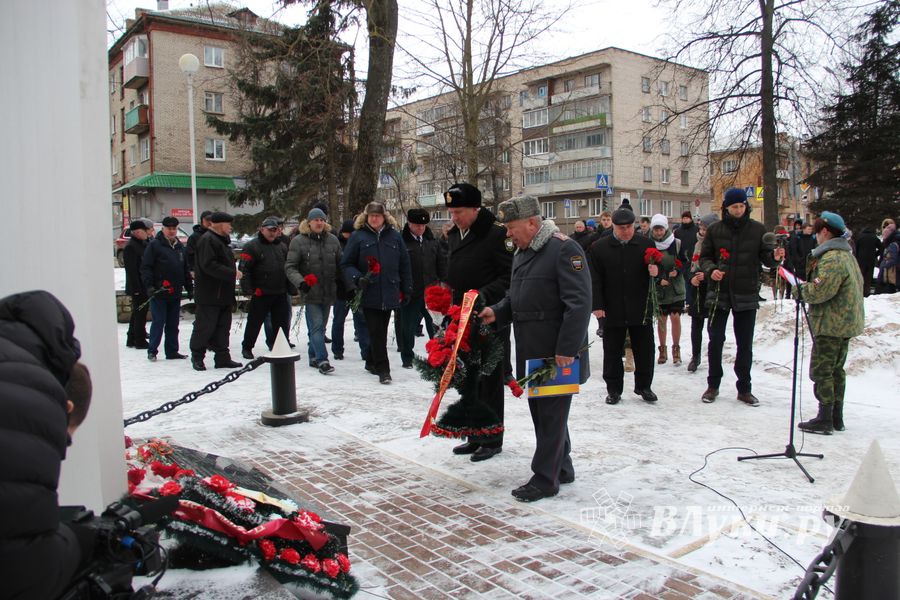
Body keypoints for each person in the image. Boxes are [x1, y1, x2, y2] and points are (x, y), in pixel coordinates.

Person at [479, 196, 591, 502]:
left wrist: (567, 348)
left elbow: (579, 304)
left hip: (557, 351)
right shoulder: (523, 252)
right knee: (544, 413)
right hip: (532, 349)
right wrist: (498, 312)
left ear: (532, 222)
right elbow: (518, 297)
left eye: (512, 227)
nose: (508, 234)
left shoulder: (564, 249)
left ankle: (545, 479)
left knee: (551, 414)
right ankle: (562, 467)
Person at [0, 291, 93, 599]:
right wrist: (82, 541)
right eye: (66, 436)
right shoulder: (28, 405)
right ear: (63, 409)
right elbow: (25, 570)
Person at [442, 182, 513, 461]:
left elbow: (508, 278)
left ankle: (492, 438)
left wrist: (482, 296)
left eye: (459, 211)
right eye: (451, 211)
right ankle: (474, 435)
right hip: (461, 318)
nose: (454, 217)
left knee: (490, 381)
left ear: (475, 208)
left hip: (488, 318)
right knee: (470, 380)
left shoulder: (496, 234)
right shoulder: (456, 233)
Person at [698, 188, 784, 405]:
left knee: (744, 343)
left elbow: (766, 260)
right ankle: (713, 385)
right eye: (734, 206)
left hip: (746, 293)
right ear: (726, 207)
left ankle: (744, 388)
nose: (738, 210)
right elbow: (705, 257)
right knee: (716, 340)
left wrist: (774, 258)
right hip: (719, 293)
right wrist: (711, 270)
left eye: (741, 206)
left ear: (746, 206)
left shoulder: (757, 230)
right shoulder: (715, 230)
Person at [793, 212, 865, 434]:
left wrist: (800, 289)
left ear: (825, 232)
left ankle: (825, 418)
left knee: (823, 370)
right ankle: (836, 416)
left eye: (817, 233)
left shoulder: (833, 257)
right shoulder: (847, 255)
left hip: (832, 323)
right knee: (836, 370)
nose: (816, 237)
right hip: (843, 322)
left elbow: (821, 290)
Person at [589, 206, 659, 404]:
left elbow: (659, 272)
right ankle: (613, 389)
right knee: (612, 350)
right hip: (613, 306)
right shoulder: (599, 247)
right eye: (621, 228)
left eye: (629, 227)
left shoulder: (646, 244)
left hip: (640, 305)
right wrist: (597, 304)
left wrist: (656, 271)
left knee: (645, 349)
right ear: (613, 227)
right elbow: (595, 279)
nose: (626, 231)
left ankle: (644, 386)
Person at [340, 202, 412, 384]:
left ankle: (371, 361)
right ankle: (383, 370)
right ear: (366, 217)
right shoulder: (357, 237)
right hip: (369, 291)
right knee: (377, 331)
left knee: (380, 330)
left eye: (377, 216)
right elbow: (346, 264)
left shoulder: (395, 237)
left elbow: (404, 264)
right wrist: (358, 278)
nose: (374, 218)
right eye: (371, 215)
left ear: (384, 217)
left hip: (390, 290)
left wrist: (407, 288)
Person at [286, 207, 342, 373]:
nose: (319, 222)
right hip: (310, 291)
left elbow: (340, 264)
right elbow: (290, 266)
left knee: (320, 327)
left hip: (328, 291)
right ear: (309, 222)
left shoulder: (333, 240)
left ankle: (313, 356)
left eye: (322, 220)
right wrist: (301, 282)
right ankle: (322, 359)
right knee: (317, 326)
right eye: (316, 220)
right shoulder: (298, 241)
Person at [190, 211, 243, 371]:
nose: (231, 227)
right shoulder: (207, 240)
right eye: (228, 224)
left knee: (222, 328)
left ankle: (222, 358)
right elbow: (208, 265)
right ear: (219, 224)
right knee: (205, 327)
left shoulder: (221, 241)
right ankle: (197, 357)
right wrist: (232, 273)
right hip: (209, 294)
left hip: (223, 294)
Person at [239, 217, 296, 359]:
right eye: (269, 230)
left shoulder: (282, 246)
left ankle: (279, 345)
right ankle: (247, 347)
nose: (272, 233)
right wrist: (249, 290)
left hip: (280, 292)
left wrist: (291, 288)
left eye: (275, 230)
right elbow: (244, 270)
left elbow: (288, 269)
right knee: (254, 322)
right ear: (262, 229)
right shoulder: (252, 246)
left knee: (282, 323)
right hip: (261, 292)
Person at [399, 208, 447, 369]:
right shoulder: (402, 242)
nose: (420, 228)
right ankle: (407, 357)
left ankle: (437, 356)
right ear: (410, 224)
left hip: (431, 292)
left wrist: (442, 284)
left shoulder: (431, 241)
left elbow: (441, 264)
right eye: (417, 225)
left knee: (435, 325)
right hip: (410, 292)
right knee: (407, 326)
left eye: (423, 225)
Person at [141, 216, 192, 361]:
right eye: (169, 229)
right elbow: (146, 267)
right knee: (158, 322)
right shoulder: (154, 246)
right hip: (159, 291)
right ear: (163, 229)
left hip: (175, 291)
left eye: (174, 229)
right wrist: (150, 286)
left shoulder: (180, 247)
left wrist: (189, 287)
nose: (172, 231)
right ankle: (152, 350)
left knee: (173, 324)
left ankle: (172, 351)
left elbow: (184, 268)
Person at [649, 214, 687, 365]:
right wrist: (658, 279)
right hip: (660, 288)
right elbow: (647, 265)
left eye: (661, 229)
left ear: (666, 229)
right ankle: (662, 350)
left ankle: (676, 349)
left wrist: (677, 270)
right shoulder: (649, 244)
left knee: (675, 317)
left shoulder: (676, 243)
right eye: (656, 229)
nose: (659, 232)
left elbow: (684, 261)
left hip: (676, 286)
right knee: (661, 319)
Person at [331, 218, 369, 361]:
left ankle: (365, 350)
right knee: (339, 320)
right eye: (348, 233)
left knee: (361, 321)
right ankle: (337, 349)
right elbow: (340, 268)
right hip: (342, 289)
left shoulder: (358, 243)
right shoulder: (337, 244)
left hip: (356, 288)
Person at [686, 213, 719, 372]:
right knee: (696, 325)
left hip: (712, 288)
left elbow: (720, 266)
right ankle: (695, 356)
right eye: (701, 228)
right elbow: (692, 265)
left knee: (713, 328)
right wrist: (692, 277)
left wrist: (706, 275)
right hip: (697, 289)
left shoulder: (718, 244)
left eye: (705, 228)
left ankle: (714, 357)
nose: (701, 231)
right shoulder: (697, 243)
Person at [123, 219, 151, 349]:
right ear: (138, 232)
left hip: (142, 284)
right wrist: (136, 288)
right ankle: (139, 340)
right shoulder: (131, 247)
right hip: (137, 286)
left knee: (137, 312)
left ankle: (132, 337)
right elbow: (131, 270)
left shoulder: (142, 244)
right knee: (140, 313)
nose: (147, 233)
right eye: (145, 231)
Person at [674, 211, 698, 309]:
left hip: (693, 258)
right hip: (682, 257)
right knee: (683, 279)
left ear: (691, 219)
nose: (685, 220)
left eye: (687, 218)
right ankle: (685, 301)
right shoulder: (678, 231)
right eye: (683, 218)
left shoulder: (696, 229)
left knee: (691, 279)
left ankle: (690, 302)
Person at [854, 226, 881, 297]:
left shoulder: (860, 237)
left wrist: (856, 258)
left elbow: (855, 249)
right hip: (871, 260)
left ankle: (859, 292)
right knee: (868, 278)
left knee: (860, 277)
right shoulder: (874, 237)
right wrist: (875, 254)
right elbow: (882, 247)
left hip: (860, 260)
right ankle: (866, 293)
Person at [185, 210, 213, 276]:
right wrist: (193, 269)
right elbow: (190, 255)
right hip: (200, 271)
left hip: (213, 270)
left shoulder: (215, 235)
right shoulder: (194, 237)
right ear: (202, 221)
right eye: (207, 220)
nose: (209, 222)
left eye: (211, 220)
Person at [876, 220, 898, 294]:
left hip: (889, 274)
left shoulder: (892, 245)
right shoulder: (891, 243)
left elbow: (893, 259)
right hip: (889, 274)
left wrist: (884, 265)